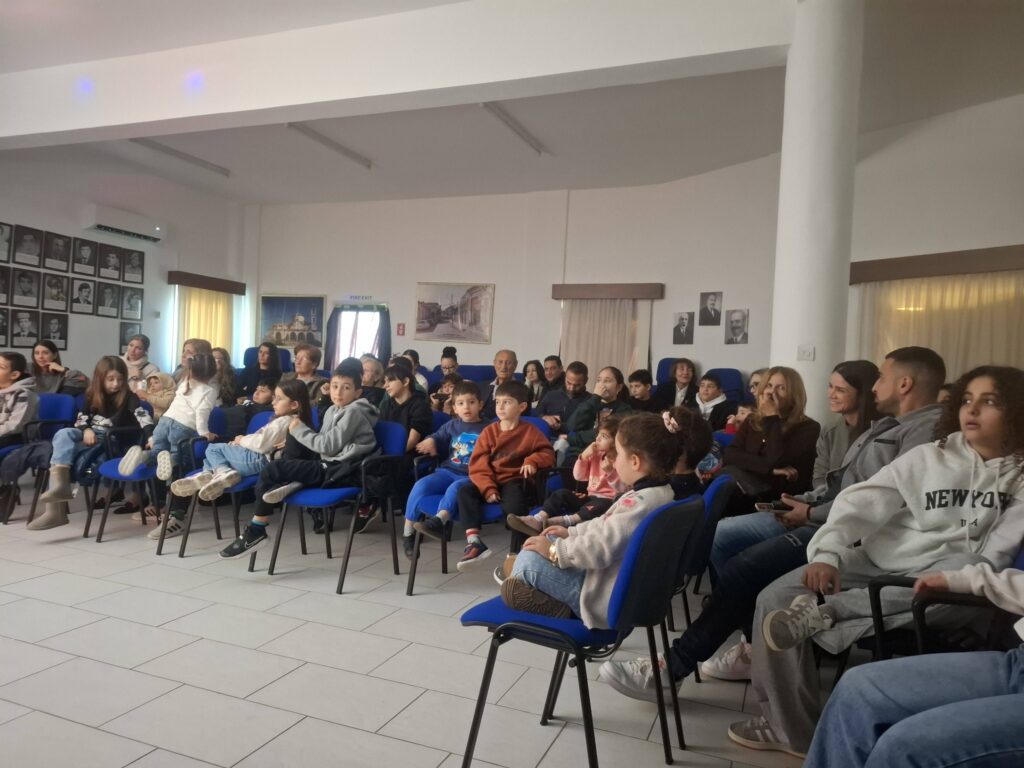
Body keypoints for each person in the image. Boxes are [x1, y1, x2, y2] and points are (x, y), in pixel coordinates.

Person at [597, 350, 947, 711]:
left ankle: (675, 665)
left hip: (843, 531)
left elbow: (879, 501)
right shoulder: (885, 426)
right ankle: (750, 643)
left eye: (882, 377)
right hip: (815, 511)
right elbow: (827, 482)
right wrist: (801, 501)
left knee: (746, 567)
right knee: (719, 538)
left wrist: (810, 510)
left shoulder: (925, 432)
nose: (875, 386)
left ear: (904, 384)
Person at [732, 364, 1024, 758]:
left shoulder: (1020, 478)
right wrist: (828, 554)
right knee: (774, 598)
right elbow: (861, 501)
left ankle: (828, 614)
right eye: (967, 399)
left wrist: (952, 574)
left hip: (941, 581)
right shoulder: (930, 456)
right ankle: (792, 732)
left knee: (969, 568)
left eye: (989, 402)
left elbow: (995, 557)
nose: (971, 410)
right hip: (874, 563)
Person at [805, 563, 1024, 768]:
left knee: (902, 748)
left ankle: (829, 615)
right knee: (857, 689)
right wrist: (974, 579)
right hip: (1018, 662)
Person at [499, 410, 686, 623]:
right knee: (546, 540)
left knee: (532, 559)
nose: (614, 461)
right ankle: (524, 571)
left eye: (618, 454)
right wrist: (571, 532)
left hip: (599, 595)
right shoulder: (658, 493)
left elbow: (599, 549)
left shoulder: (640, 504)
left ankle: (547, 594)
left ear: (635, 461)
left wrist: (554, 551)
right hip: (609, 580)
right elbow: (605, 524)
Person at [218, 358, 378, 558]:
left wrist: (299, 430)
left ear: (357, 393)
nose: (338, 392)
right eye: (335, 386)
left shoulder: (354, 413)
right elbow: (322, 442)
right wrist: (295, 436)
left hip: (342, 469)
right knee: (288, 446)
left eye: (346, 388)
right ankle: (291, 482)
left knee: (273, 468)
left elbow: (327, 446)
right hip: (327, 463)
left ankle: (257, 530)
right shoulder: (333, 409)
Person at [29, 356, 152, 530]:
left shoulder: (129, 397)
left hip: (111, 440)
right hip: (89, 434)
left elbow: (143, 417)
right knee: (63, 434)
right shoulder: (91, 394)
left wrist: (151, 436)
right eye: (110, 379)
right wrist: (86, 429)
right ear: (100, 379)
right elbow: (81, 418)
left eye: (119, 379)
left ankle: (56, 508)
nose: (116, 384)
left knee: (74, 459)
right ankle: (59, 493)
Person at [454, 380, 555, 571]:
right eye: (498, 402)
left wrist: (532, 460)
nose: (500, 407)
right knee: (465, 492)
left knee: (515, 507)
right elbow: (478, 464)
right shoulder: (489, 431)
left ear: (522, 407)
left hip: (514, 480)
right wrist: (487, 488)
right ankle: (475, 543)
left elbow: (547, 453)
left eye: (507, 402)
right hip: (490, 479)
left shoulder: (530, 432)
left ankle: (517, 552)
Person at [171, 379, 312, 502]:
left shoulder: (285, 421)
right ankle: (208, 474)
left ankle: (223, 472)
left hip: (258, 458)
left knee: (212, 449)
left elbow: (261, 444)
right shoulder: (292, 421)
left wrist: (241, 440)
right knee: (213, 458)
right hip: (258, 459)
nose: (273, 402)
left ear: (294, 405)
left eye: (279, 399)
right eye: (274, 397)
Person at [507, 413, 625, 537]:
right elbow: (579, 477)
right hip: (590, 497)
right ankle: (538, 519)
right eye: (599, 434)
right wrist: (583, 457)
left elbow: (622, 489)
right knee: (561, 493)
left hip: (609, 501)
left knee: (602, 504)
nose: (598, 439)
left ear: (616, 442)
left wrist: (610, 472)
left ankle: (565, 521)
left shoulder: (620, 460)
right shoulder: (596, 454)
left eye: (604, 436)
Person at [405, 381, 487, 558]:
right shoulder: (452, 425)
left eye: (471, 402)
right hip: (447, 471)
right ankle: (408, 534)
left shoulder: (488, 428)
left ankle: (438, 521)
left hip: (470, 476)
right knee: (421, 485)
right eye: (461, 403)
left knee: (455, 488)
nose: (466, 407)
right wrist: (431, 440)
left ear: (480, 405)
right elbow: (437, 435)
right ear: (454, 408)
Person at [720, 366, 820, 511]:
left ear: (793, 395)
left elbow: (777, 460)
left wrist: (772, 417)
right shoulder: (752, 420)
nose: (771, 393)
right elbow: (731, 455)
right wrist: (770, 470)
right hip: (746, 489)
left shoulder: (808, 427)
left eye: (781, 388)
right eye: (769, 386)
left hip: (778, 499)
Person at [118, 353, 218, 487]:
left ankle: (142, 456)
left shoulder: (185, 383)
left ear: (190, 370)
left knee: (157, 451)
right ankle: (171, 461)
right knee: (180, 454)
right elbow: (202, 412)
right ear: (212, 372)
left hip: (164, 421)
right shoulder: (209, 391)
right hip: (183, 426)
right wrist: (204, 432)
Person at [812, 360, 881, 487]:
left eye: (840, 390)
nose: (831, 395)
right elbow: (819, 478)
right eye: (830, 386)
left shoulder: (885, 430)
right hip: (830, 497)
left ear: (863, 394)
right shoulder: (830, 431)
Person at [561, 366, 633, 465]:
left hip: (605, 455)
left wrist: (573, 438)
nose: (601, 385)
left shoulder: (624, 409)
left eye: (607, 381)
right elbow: (572, 426)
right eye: (599, 380)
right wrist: (595, 397)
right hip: (579, 453)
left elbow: (605, 434)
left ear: (619, 387)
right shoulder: (590, 402)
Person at [378, 363, 433, 454]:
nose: (385, 386)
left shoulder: (421, 406)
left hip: (408, 454)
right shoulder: (386, 405)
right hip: (387, 453)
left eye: (390, 380)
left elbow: (412, 441)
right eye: (385, 382)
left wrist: (391, 456)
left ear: (405, 381)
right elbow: (381, 434)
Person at [535, 360, 589, 437]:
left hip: (575, 441)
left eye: (577, 385)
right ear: (565, 377)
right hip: (547, 438)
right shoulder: (551, 395)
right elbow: (536, 414)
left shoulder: (590, 400)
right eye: (569, 383)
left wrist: (560, 426)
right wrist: (544, 417)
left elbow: (585, 426)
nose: (571, 388)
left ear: (586, 381)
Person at [0, 352, 38, 450]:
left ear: (14, 375)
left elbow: (15, 426)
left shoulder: (24, 394)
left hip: (15, 436)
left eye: (1, 367)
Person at [481, 349, 518, 419]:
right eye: (500, 362)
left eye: (508, 363)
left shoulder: (523, 390)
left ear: (515, 365)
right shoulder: (481, 386)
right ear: (494, 363)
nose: (503, 367)